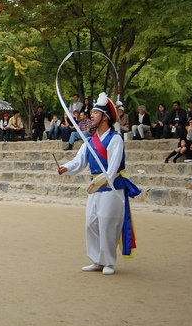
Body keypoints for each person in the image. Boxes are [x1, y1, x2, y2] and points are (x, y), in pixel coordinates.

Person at [58, 92, 140, 276]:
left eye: (95, 113)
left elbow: (113, 167)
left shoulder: (115, 139)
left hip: (112, 187)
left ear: (105, 117)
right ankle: (96, 260)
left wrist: (105, 181)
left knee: (107, 224)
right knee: (91, 223)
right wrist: (66, 167)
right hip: (96, 187)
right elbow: (79, 162)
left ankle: (108, 262)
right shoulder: (89, 141)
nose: (92, 116)